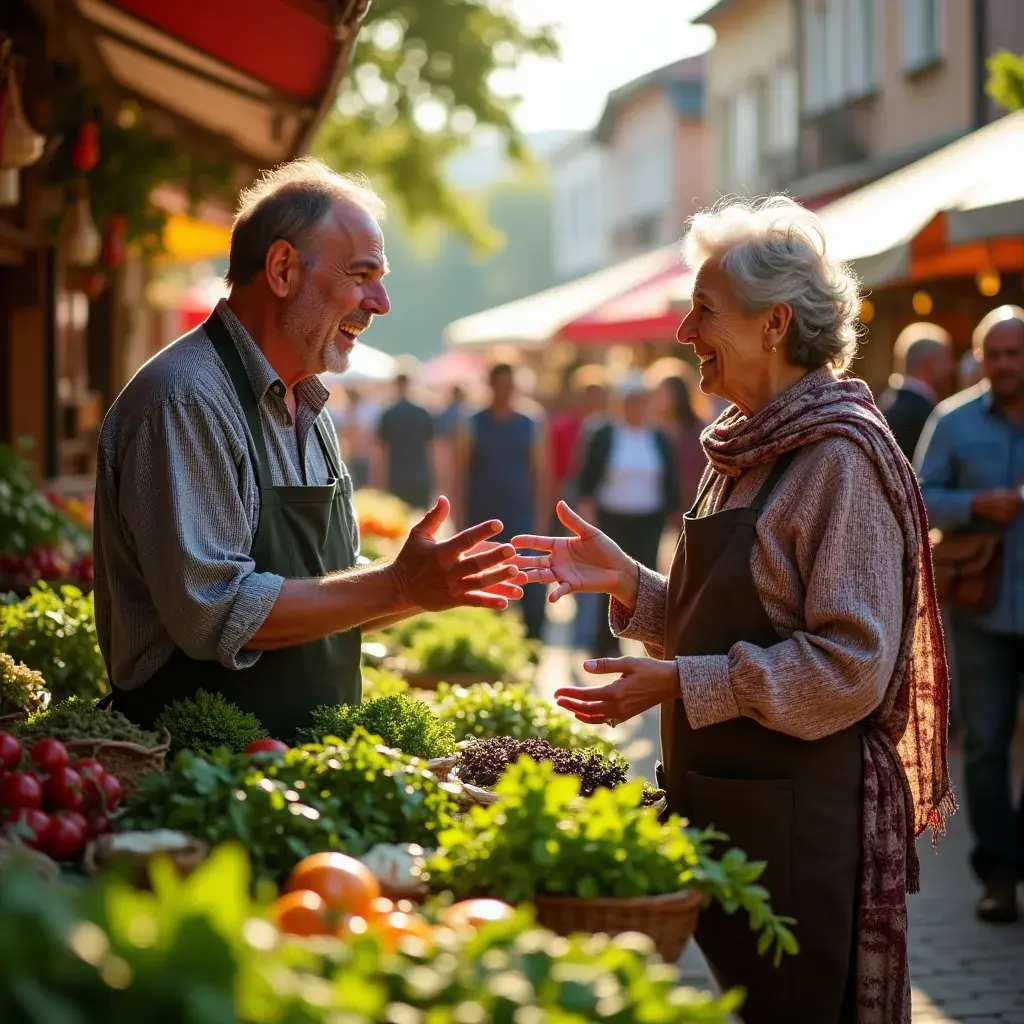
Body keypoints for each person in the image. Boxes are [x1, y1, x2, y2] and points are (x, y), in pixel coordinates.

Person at [512, 196, 953, 1024]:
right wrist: (633, 587)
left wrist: (680, 682)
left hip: (797, 820)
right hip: (739, 804)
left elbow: (850, 671)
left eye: (703, 311)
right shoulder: (745, 444)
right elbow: (733, 616)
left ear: (775, 324)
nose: (684, 334)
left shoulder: (836, 460)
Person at [92, 158, 522, 740]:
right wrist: (395, 585)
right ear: (282, 268)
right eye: (362, 274)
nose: (382, 302)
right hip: (204, 776)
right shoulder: (186, 400)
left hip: (306, 763)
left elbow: (326, 587)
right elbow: (214, 610)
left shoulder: (309, 403)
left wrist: (424, 587)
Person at [916, 305, 1024, 925]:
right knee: (984, 745)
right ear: (979, 358)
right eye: (996, 354)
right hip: (982, 609)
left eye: (1016, 354)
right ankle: (1000, 873)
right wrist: (978, 502)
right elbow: (921, 498)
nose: (1006, 365)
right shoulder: (951, 421)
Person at [575, 378, 678, 658]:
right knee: (608, 578)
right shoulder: (606, 433)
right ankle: (604, 642)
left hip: (648, 519)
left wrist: (674, 517)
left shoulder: (658, 437)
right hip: (611, 518)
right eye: (632, 402)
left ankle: (650, 644)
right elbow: (587, 478)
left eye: (642, 402)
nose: (637, 408)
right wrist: (586, 516)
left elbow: (669, 479)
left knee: (647, 580)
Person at [457, 363, 548, 640]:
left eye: (509, 385)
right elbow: (459, 473)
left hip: (522, 517)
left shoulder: (531, 422)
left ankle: (532, 647)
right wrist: (459, 521)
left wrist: (542, 520)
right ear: (490, 385)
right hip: (482, 518)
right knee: (484, 587)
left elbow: (542, 475)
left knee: (531, 587)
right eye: (499, 384)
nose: (504, 391)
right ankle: (491, 646)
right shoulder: (472, 422)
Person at [877, 322, 956, 462]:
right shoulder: (928, 415)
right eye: (947, 359)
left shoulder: (884, 403)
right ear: (929, 364)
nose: (951, 368)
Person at [646, 358, 711, 515]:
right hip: (656, 505)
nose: (661, 397)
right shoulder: (650, 429)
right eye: (658, 392)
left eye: (667, 392)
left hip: (693, 502)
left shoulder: (698, 429)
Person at [375, 373, 435, 508]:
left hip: (397, 477)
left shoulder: (388, 414)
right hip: (419, 475)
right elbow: (432, 449)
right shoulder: (422, 413)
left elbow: (382, 453)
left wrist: (378, 482)